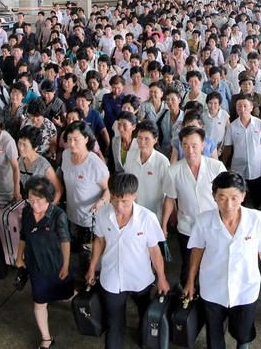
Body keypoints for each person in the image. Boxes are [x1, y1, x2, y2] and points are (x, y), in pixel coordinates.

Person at [183, 172, 261, 349]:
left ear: (243, 196)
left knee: (243, 335)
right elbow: (197, 251)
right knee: (214, 332)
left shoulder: (257, 220)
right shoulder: (204, 220)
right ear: (214, 197)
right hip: (212, 288)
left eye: (234, 198)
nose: (228, 205)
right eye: (222, 197)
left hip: (246, 288)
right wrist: (190, 281)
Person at [86, 173, 171, 349]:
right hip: (111, 279)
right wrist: (92, 267)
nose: (118, 206)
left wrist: (161, 277)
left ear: (134, 196)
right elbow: (99, 241)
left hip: (141, 279)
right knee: (114, 324)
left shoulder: (147, 218)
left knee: (145, 315)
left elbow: (154, 250)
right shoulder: (103, 214)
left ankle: (144, 339)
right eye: (115, 200)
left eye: (124, 201)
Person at [162, 127, 227, 285]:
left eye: (194, 145)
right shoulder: (173, 171)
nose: (189, 150)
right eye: (185, 145)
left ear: (203, 145)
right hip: (187, 227)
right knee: (189, 264)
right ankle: (188, 297)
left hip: (215, 226)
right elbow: (170, 199)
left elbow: (227, 197)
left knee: (214, 264)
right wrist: (163, 225)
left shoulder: (216, 168)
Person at [17, 176, 73, 349]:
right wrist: (19, 256)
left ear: (48, 198)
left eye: (38, 201)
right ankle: (46, 338)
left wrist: (65, 265)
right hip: (36, 265)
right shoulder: (26, 212)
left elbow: (65, 241)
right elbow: (23, 236)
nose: (34, 205)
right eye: (30, 200)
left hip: (56, 264)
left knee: (65, 294)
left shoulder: (58, 215)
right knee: (39, 302)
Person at [61, 121, 110, 279]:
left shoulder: (95, 164)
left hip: (90, 220)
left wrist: (100, 203)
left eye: (76, 139)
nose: (72, 143)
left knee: (89, 256)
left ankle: (91, 282)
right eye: (69, 139)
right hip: (72, 215)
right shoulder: (65, 155)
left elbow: (109, 190)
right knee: (76, 253)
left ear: (86, 139)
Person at [221, 95, 261, 206]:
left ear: (251, 107)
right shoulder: (232, 127)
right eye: (239, 106)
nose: (242, 109)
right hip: (238, 168)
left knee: (257, 196)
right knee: (239, 197)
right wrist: (224, 165)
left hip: (256, 168)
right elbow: (228, 149)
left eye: (245, 106)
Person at [123, 121, 171, 222]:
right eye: (139, 138)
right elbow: (126, 183)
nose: (142, 142)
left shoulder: (162, 162)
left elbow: (169, 194)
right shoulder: (131, 156)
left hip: (154, 216)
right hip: (133, 214)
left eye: (146, 139)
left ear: (155, 140)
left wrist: (165, 224)